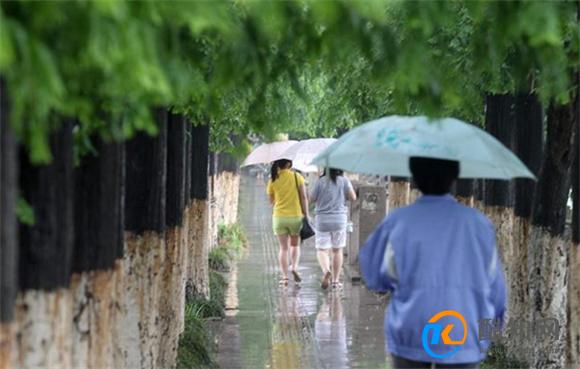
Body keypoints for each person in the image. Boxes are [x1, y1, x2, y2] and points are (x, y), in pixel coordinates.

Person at [359, 157, 507, 369]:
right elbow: (495, 290)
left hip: (411, 329)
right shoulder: (479, 224)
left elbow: (374, 276)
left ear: (415, 178)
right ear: (454, 177)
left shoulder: (398, 221)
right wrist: (490, 330)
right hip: (463, 331)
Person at [310, 168, 356, 291]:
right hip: (339, 219)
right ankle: (335, 281)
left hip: (322, 220)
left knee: (322, 250)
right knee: (337, 250)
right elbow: (353, 197)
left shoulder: (320, 181)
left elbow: (311, 199)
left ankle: (326, 271)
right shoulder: (344, 181)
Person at [267, 159, 309, 287]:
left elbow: (271, 200)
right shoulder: (298, 177)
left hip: (279, 217)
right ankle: (294, 267)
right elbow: (303, 197)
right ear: (289, 164)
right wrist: (306, 214)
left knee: (283, 248)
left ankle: (285, 278)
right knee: (295, 246)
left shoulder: (273, 179)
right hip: (295, 216)